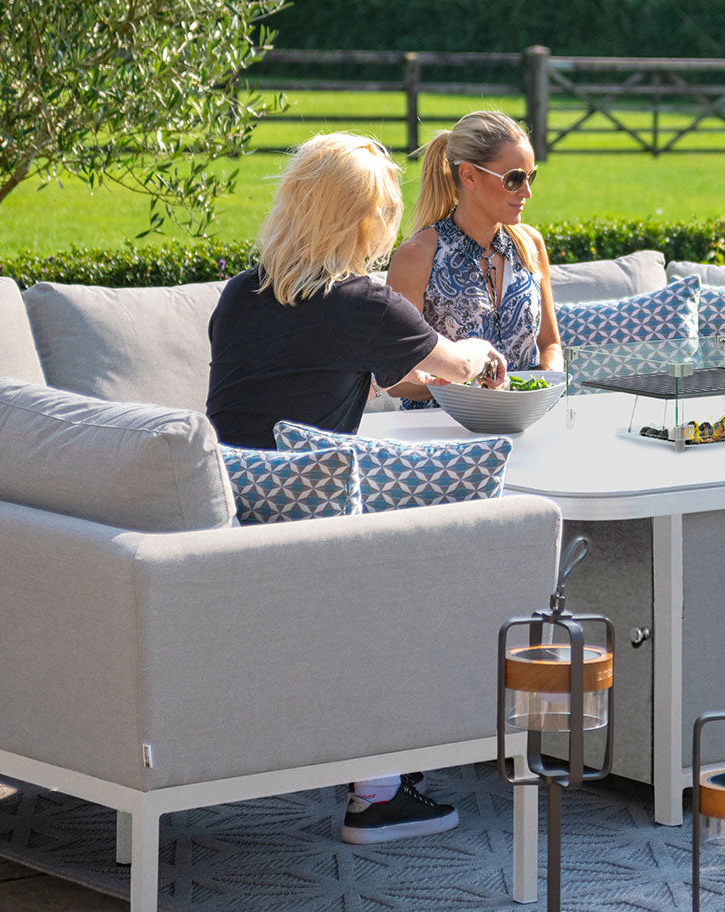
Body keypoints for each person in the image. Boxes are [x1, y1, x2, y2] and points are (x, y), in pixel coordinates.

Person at [206, 131, 506, 843]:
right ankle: (377, 793)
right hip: (309, 531)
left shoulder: (242, 294)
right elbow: (457, 365)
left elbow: (299, 378)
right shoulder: (362, 302)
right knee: (433, 557)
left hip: (224, 518)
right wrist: (482, 352)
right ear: (367, 221)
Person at [385, 110, 562, 405]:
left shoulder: (530, 245)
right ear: (469, 175)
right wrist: (471, 382)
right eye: (514, 179)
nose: (527, 192)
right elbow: (396, 378)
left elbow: (550, 344)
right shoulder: (416, 256)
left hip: (522, 420)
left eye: (531, 176)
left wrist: (546, 382)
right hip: (437, 427)